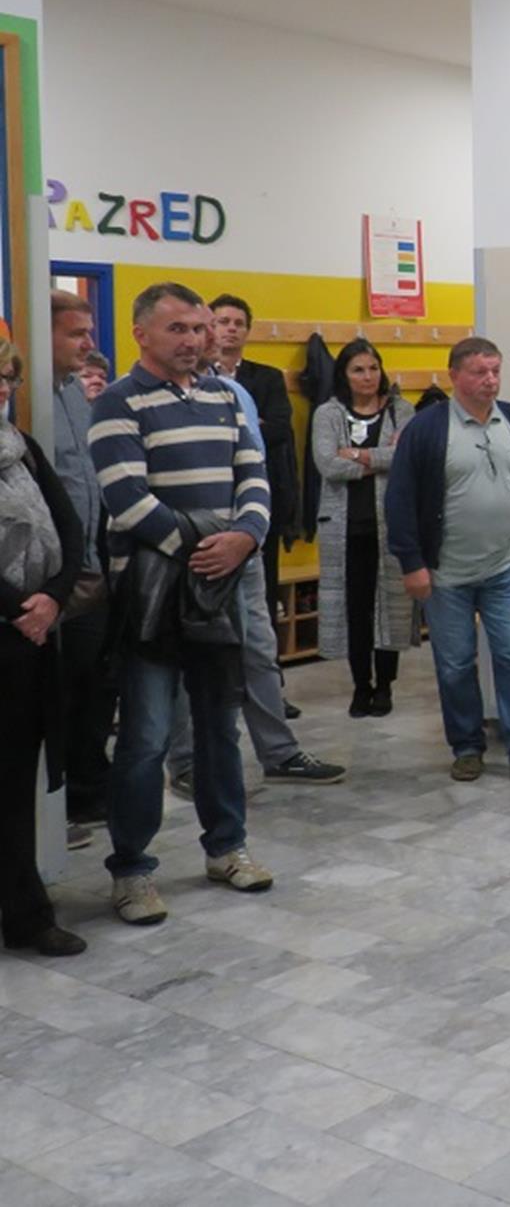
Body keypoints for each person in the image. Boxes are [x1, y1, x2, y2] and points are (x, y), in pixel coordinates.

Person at [92, 282, 277, 924]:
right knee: (146, 737)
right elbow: (126, 499)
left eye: (199, 328)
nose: (194, 340)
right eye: (178, 329)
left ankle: (227, 847)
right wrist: (206, 547)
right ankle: (132, 870)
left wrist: (245, 538)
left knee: (219, 728)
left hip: (218, 590)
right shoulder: (118, 402)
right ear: (140, 333)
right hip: (152, 594)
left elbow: (254, 477)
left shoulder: (224, 397)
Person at [164, 320, 346, 792]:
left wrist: (248, 533)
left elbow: (255, 470)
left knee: (260, 653)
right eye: (197, 328)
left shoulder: (233, 394)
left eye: (209, 328)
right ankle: (185, 763)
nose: (208, 337)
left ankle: (280, 753)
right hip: (187, 555)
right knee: (187, 663)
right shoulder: (144, 398)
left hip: (241, 549)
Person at [384, 336, 510, 786]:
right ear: (454, 376)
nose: (490, 380)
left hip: (505, 566)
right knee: (456, 665)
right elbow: (400, 500)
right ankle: (467, 747)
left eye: (496, 371)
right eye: (480, 372)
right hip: (446, 573)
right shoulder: (427, 429)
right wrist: (411, 563)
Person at [0, 337, 88, 956]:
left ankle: (27, 915)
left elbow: (70, 526)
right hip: (15, 623)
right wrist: (18, 609)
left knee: (14, 784)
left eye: (6, 378)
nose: (2, 389)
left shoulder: (23, 449)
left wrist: (52, 597)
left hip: (29, 638)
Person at [311, 339, 419, 718]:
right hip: (344, 528)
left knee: (391, 605)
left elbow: (407, 457)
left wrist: (358, 455)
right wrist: (380, 460)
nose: (368, 376)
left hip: (390, 525)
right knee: (355, 609)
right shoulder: (328, 414)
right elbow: (328, 464)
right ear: (344, 374)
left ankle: (385, 685)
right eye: (358, 369)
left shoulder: (401, 410)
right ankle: (361, 686)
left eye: (373, 368)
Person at [48, 292, 114, 836]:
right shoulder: (23, 398)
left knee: (96, 683)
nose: (89, 343)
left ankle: (89, 792)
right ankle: (54, 803)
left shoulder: (74, 392)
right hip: (50, 575)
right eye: (76, 333)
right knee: (59, 691)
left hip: (92, 565)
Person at [209, 295, 300, 644]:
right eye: (223, 322)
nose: (231, 329)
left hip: (260, 496)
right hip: (215, 499)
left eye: (238, 323)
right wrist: (250, 424)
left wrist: (236, 430)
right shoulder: (197, 376)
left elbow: (279, 429)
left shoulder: (267, 377)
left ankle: (267, 665)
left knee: (263, 591)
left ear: (247, 331)